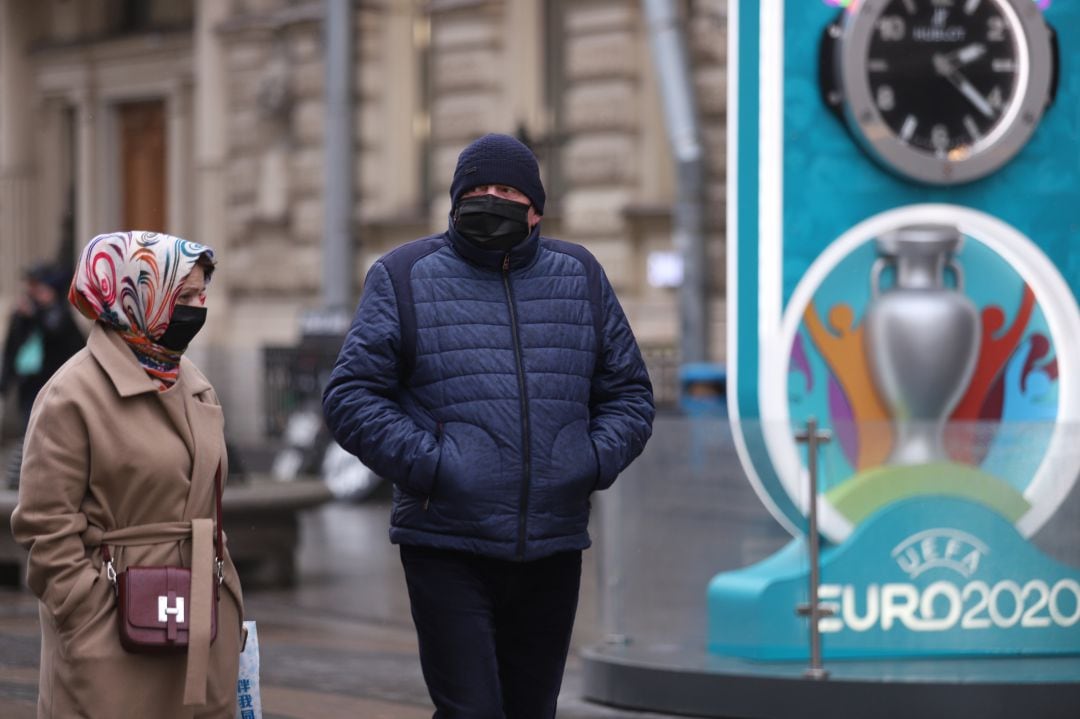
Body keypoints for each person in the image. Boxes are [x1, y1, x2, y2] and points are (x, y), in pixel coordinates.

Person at [323, 133, 655, 717]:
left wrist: (588, 461)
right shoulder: (403, 274)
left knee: (532, 709)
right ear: (454, 202)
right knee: (470, 710)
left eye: (505, 190)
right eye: (475, 190)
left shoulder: (579, 275)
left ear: (536, 208)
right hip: (447, 542)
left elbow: (629, 394)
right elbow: (351, 396)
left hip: (552, 544)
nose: (489, 199)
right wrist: (435, 466)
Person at [11, 231, 244, 718]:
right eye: (183, 297)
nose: (197, 309)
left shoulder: (195, 384)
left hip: (199, 625)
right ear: (137, 295)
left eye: (202, 295)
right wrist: (85, 614)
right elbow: (44, 524)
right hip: (112, 635)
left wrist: (224, 597)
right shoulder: (71, 395)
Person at [0, 262, 85, 429]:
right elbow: (12, 348)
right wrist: (4, 383)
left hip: (55, 382)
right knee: (30, 428)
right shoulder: (21, 314)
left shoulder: (58, 312)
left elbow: (59, 332)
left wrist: (37, 313)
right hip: (29, 383)